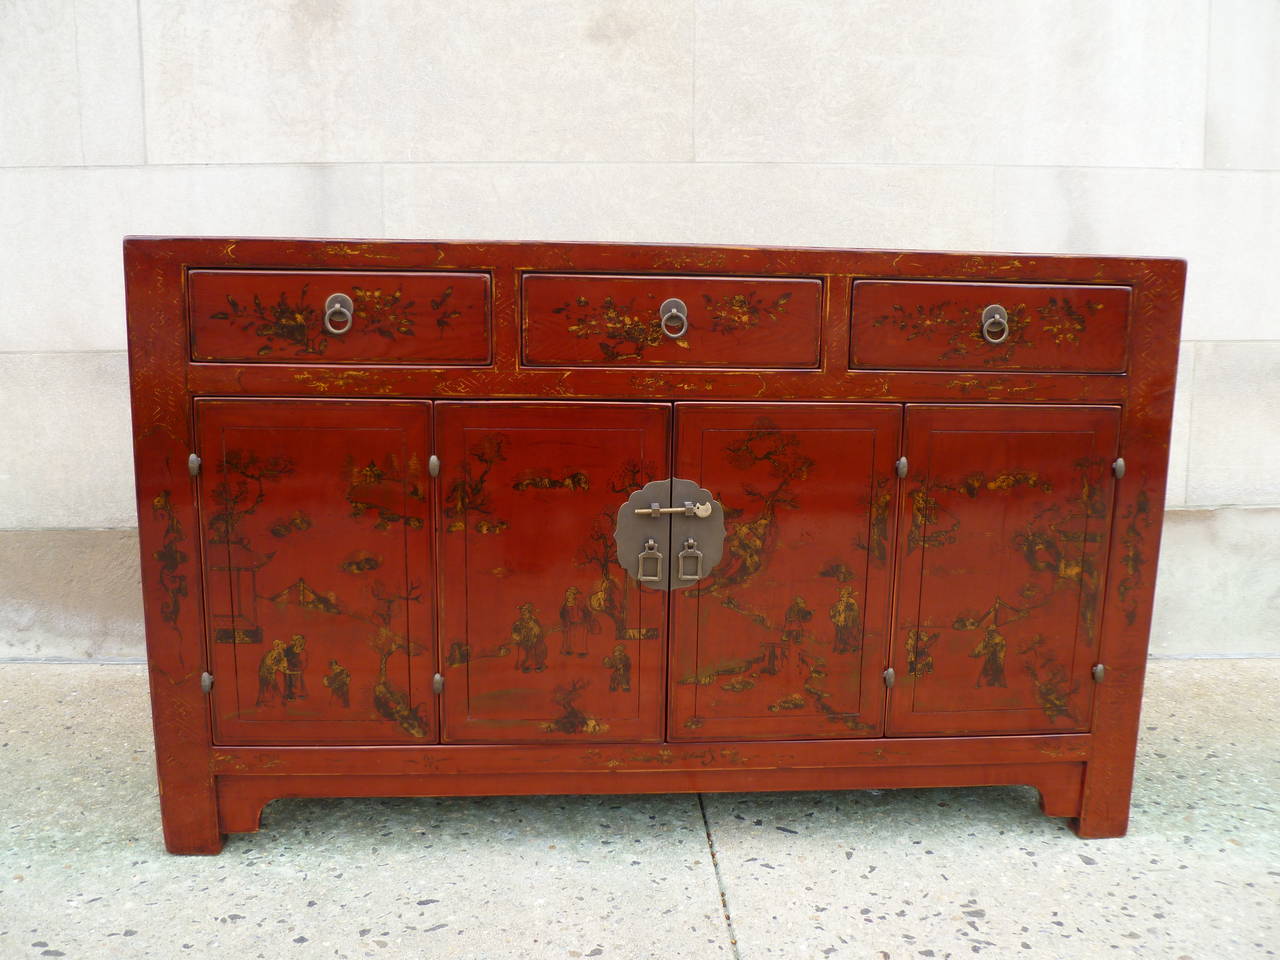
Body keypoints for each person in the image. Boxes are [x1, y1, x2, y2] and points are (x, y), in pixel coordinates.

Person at [559, 585, 596, 657]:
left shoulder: (580, 602)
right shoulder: (565, 603)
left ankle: (582, 651)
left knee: (580, 638)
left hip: (581, 623)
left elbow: (586, 611)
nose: (568, 595)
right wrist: (565, 621)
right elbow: (562, 613)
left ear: (574, 595)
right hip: (570, 624)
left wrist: (585, 619)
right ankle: (568, 650)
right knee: (569, 638)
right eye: (567, 593)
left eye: (570, 594)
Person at [512, 603, 547, 673]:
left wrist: (534, 631)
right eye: (522, 613)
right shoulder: (519, 622)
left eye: (525, 613)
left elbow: (538, 631)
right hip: (525, 642)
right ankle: (526, 666)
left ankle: (539, 665)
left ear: (529, 613)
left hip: (535, 641)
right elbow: (515, 630)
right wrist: (517, 636)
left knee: (537, 652)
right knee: (526, 654)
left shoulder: (534, 621)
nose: (523, 614)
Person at [256, 637, 287, 706]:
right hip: (267, 672)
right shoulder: (277, 653)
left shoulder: (274, 652)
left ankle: (261, 701)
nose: (283, 646)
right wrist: (281, 669)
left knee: (265, 686)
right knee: (272, 686)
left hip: (265, 671)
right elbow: (273, 663)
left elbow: (276, 664)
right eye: (281, 645)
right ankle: (281, 701)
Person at [283, 633, 308, 701]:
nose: (299, 642)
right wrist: (285, 667)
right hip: (289, 669)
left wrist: (301, 668)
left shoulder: (302, 651)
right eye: (297, 640)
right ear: (295, 641)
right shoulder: (289, 649)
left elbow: (304, 661)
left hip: (297, 669)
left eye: (300, 640)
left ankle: (300, 694)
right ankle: (290, 696)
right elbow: (284, 658)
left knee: (298, 682)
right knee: (289, 683)